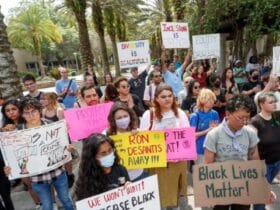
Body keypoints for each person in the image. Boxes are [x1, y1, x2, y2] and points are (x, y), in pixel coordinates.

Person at [203, 95, 275, 210]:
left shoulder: (250, 133)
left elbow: (255, 163)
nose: (244, 122)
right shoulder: (214, 135)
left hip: (243, 188)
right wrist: (209, 194)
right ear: (227, 114)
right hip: (221, 189)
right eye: (240, 118)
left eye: (247, 118)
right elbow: (207, 164)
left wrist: (265, 187)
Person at [5, 98, 74, 210]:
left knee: (66, 199)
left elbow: (62, 145)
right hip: (37, 179)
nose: (31, 115)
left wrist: (68, 149)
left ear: (39, 111)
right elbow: (13, 156)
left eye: (34, 111)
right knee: (47, 206)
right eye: (26, 113)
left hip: (58, 173)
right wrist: (10, 167)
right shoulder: (17, 133)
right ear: (22, 114)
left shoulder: (52, 125)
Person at [140, 84, 190, 208]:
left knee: (176, 198)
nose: (167, 99)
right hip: (158, 164)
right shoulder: (149, 115)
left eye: (170, 96)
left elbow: (187, 136)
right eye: (163, 97)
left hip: (177, 163)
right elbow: (143, 138)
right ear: (156, 98)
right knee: (160, 196)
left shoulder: (180, 113)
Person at [75, 134, 130, 200]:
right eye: (103, 153)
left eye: (110, 150)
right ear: (93, 157)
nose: (108, 155)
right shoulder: (86, 181)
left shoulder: (121, 170)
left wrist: (131, 189)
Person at [251, 92, 280, 210]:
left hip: (278, 162)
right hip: (264, 166)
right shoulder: (255, 122)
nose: (275, 104)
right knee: (261, 197)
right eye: (271, 102)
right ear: (261, 104)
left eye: (275, 102)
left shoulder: (277, 117)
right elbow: (252, 147)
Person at [40, 92, 75, 188]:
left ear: (51, 100)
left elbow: (62, 125)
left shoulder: (58, 110)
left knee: (66, 157)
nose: (42, 101)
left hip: (62, 137)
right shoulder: (43, 111)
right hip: (51, 138)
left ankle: (70, 174)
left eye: (45, 98)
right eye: (42, 99)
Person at [106, 102, 148, 181]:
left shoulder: (138, 132)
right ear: (113, 120)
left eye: (125, 116)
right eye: (119, 118)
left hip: (139, 175)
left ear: (130, 116)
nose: (123, 120)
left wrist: (139, 138)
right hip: (119, 178)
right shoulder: (106, 135)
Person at [190, 88, 219, 164]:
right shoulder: (195, 115)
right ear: (202, 100)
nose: (212, 102)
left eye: (213, 99)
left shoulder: (215, 113)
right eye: (209, 99)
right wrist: (207, 131)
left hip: (214, 148)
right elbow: (191, 135)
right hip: (199, 149)